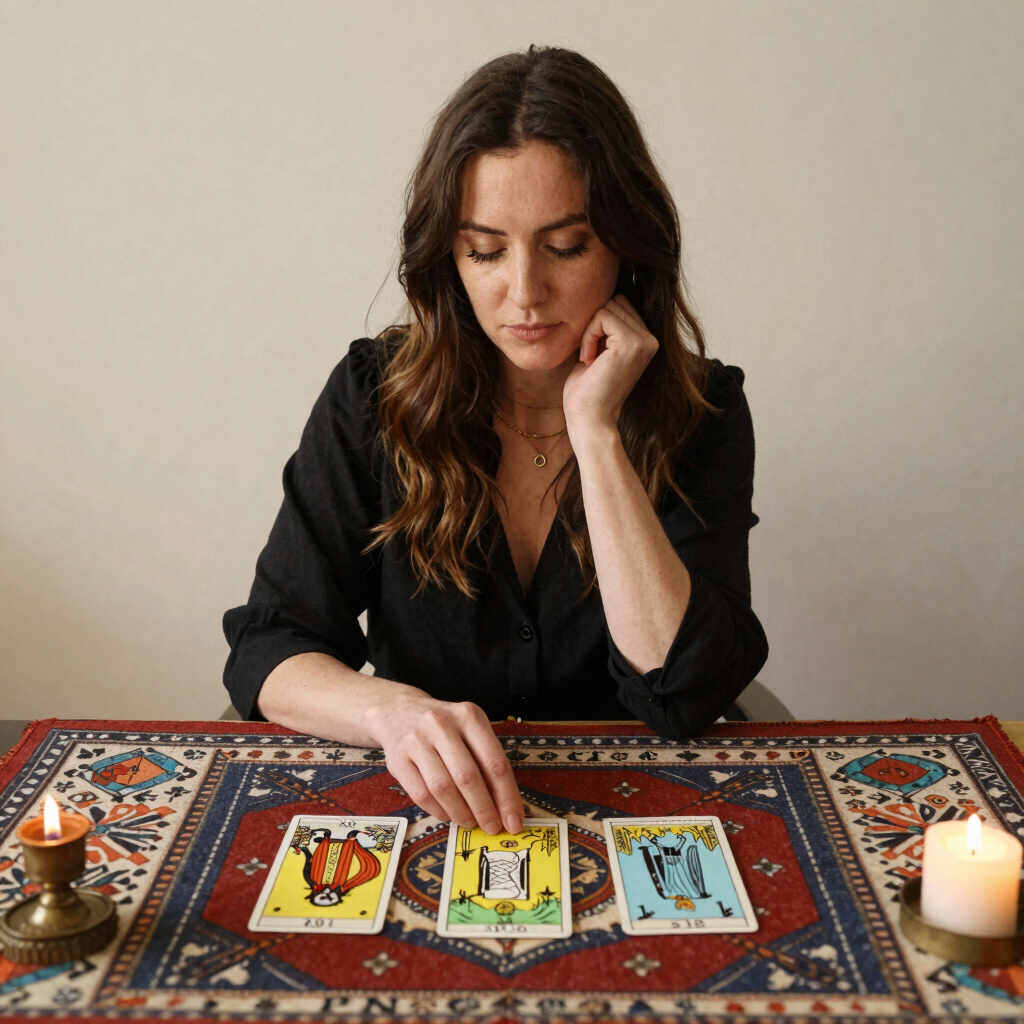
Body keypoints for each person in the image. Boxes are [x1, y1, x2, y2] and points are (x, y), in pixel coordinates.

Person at [223, 46, 768, 839]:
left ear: (625, 244)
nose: (524, 292)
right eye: (485, 250)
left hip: (640, 817)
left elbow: (680, 689)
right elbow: (270, 648)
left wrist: (597, 431)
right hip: (425, 815)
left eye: (566, 245)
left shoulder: (705, 411)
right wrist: (393, 711)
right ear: (449, 255)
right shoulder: (373, 395)